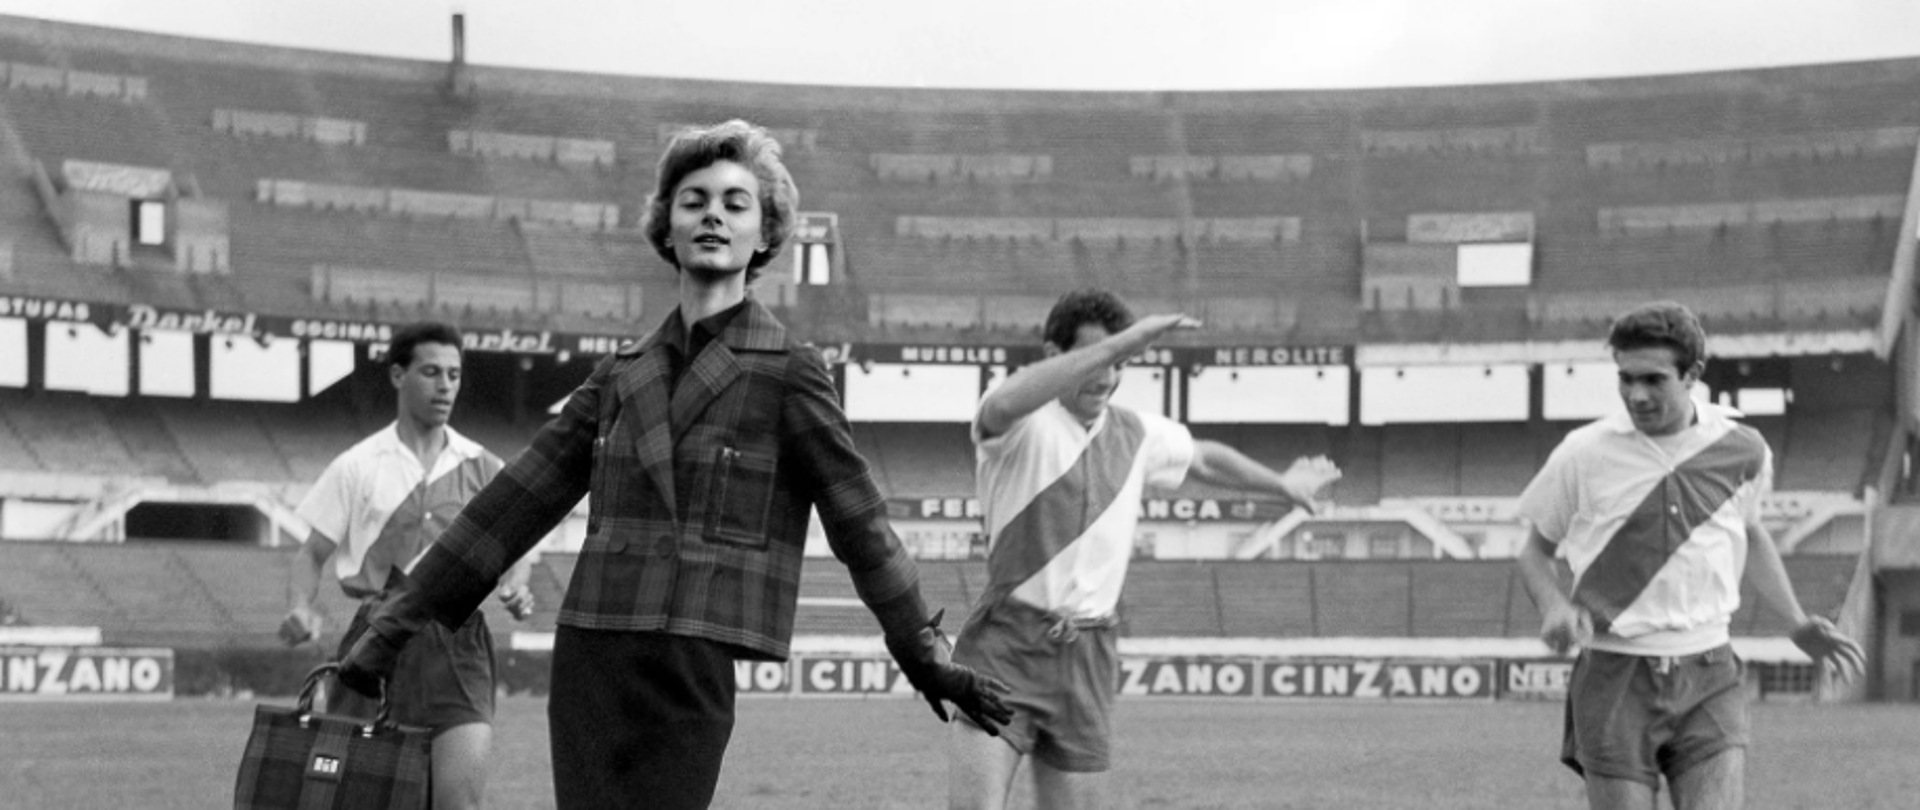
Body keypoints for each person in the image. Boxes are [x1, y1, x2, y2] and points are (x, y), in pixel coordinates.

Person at [335, 120, 1011, 809]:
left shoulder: (790, 373)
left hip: (693, 658)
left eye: (735, 202)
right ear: (667, 228)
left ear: (765, 233)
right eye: (693, 201)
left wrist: (926, 653)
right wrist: (393, 628)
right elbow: (509, 509)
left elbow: (861, 526)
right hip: (593, 651)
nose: (712, 213)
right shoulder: (618, 376)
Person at [949, 288, 1343, 810]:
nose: (1109, 376)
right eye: (1099, 359)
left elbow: (1203, 458)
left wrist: (1282, 485)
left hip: (1088, 654)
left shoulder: (1135, 433)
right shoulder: (1017, 423)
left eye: (1122, 363)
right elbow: (1005, 399)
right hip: (1007, 644)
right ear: (1054, 357)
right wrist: (1129, 339)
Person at [1515, 301, 1867, 810]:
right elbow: (1534, 551)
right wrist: (1553, 606)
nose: (1636, 394)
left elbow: (1748, 532)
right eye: (1625, 379)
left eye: (1653, 380)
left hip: (1710, 671)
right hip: (1614, 675)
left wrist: (1793, 622)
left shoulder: (1744, 449)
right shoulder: (1583, 453)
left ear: (1692, 375)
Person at [281, 321, 535, 810]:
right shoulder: (358, 465)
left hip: (457, 642)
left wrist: (517, 584)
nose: (445, 386)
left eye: (455, 375)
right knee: (365, 800)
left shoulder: (483, 466)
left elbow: (518, 550)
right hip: (374, 642)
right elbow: (311, 554)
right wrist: (299, 606)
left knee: (458, 803)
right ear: (398, 375)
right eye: (432, 372)